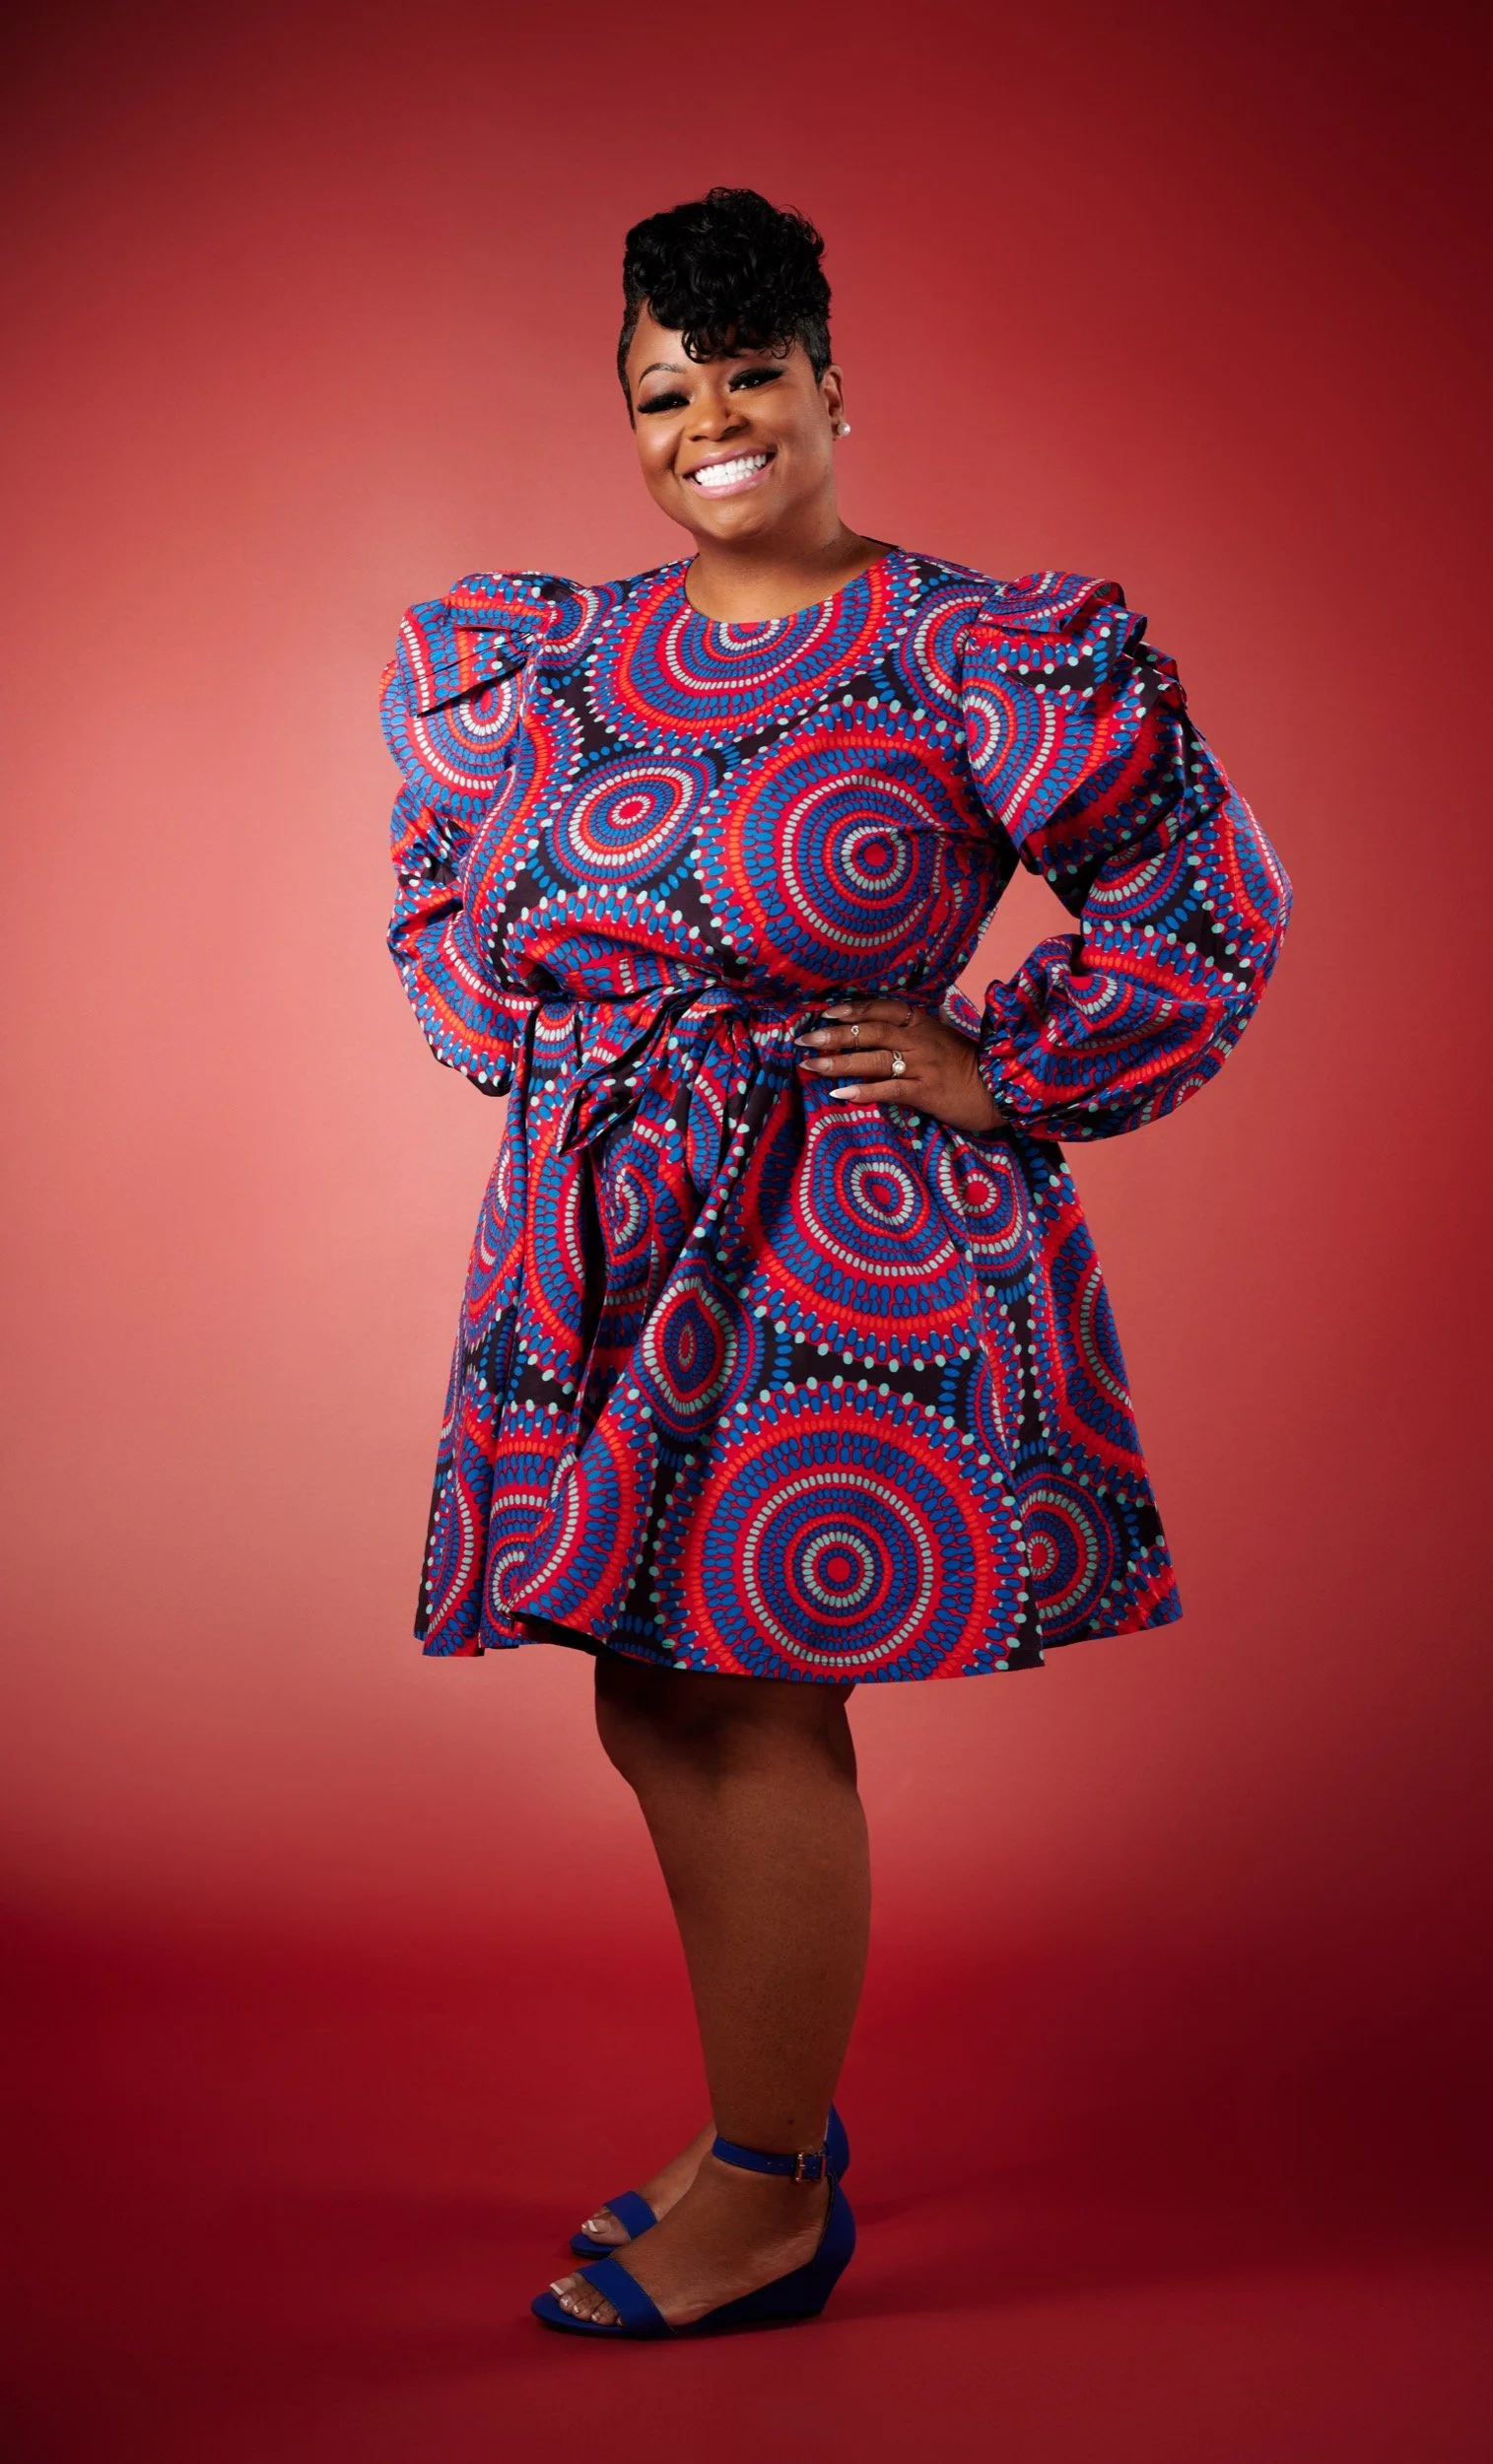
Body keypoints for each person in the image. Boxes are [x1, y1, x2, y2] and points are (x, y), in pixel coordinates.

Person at [378, 185, 1292, 2340]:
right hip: (603, 1237)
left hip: (824, 1233)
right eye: (663, 388)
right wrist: (571, 1080)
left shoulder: (969, 643)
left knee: (753, 1691)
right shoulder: (551, 653)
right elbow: (450, 911)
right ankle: (755, 2112)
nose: (710, 420)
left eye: (751, 376)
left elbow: (1202, 898)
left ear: (829, 389)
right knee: (645, 1685)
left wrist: (998, 1065)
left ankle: (775, 2194)